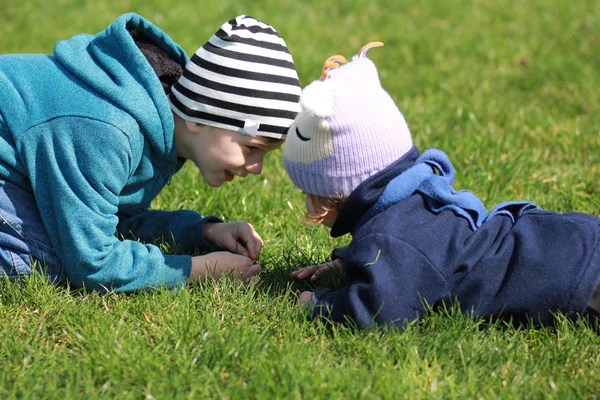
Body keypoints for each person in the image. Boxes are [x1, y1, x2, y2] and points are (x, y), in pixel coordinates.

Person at [284, 42, 600, 328]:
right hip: (566, 239)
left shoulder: (390, 240)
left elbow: (380, 309)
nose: (308, 205)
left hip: (569, 280)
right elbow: (418, 245)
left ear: (338, 193)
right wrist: (349, 260)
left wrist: (320, 304)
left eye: (310, 193)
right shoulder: (414, 192)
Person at [0, 13, 302, 291]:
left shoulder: (164, 127)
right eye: (252, 148)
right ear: (199, 116)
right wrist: (195, 269)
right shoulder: (110, 131)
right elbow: (91, 261)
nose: (258, 167)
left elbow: (116, 217)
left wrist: (203, 232)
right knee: (47, 260)